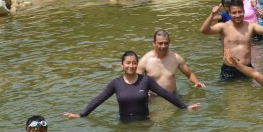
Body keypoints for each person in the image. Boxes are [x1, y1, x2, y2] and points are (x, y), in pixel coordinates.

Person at [65, 51, 201, 120]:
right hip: (123, 124)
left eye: (134, 63)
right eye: (128, 63)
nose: (131, 66)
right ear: (122, 65)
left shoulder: (146, 81)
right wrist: (81, 114)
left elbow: (165, 94)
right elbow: (99, 99)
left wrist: (185, 107)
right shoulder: (116, 83)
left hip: (144, 124)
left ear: (137, 64)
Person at [201, 0, 263, 81]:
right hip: (229, 69)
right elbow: (204, 30)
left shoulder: (251, 26)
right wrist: (212, 15)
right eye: (234, 13)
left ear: (244, 11)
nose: (237, 15)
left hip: (247, 68)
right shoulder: (223, 27)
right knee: (230, 93)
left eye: (240, 12)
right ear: (229, 13)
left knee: (249, 92)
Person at [139, 29, 205, 97]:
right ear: (154, 43)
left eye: (166, 43)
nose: (163, 46)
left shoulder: (176, 58)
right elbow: (135, 80)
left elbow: (189, 73)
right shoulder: (145, 60)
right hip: (153, 98)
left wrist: (196, 82)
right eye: (160, 43)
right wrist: (141, 91)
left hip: (172, 97)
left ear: (169, 43)